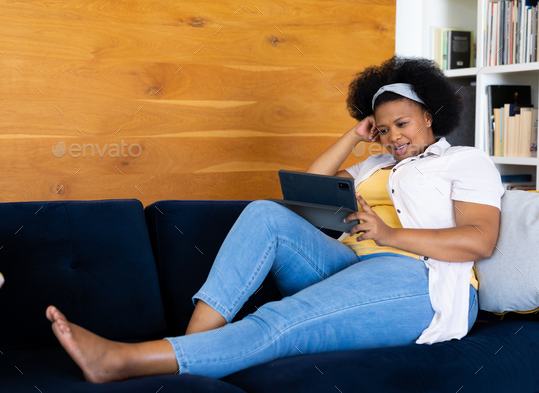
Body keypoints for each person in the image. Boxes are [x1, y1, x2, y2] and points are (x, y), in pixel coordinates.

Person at [46, 56, 504, 383]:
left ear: (428, 115)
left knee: (283, 318)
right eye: (382, 129)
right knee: (266, 212)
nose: (392, 137)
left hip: (421, 281)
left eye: (402, 124)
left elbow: (479, 240)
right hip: (353, 266)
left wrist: (389, 233)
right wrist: (353, 134)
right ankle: (193, 348)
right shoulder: (375, 166)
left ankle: (124, 360)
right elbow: (310, 186)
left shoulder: (464, 161)